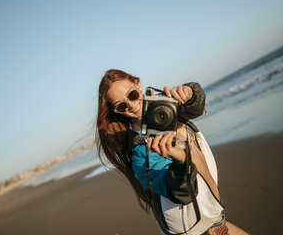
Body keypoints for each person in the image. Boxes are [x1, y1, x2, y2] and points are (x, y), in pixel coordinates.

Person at [96, 69, 248, 235]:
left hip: (213, 217)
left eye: (132, 95)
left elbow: (195, 106)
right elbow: (180, 191)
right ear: (117, 111)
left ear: (138, 84)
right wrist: (181, 161)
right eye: (122, 106)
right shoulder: (140, 153)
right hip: (197, 230)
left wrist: (189, 92)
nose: (132, 105)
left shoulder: (167, 106)